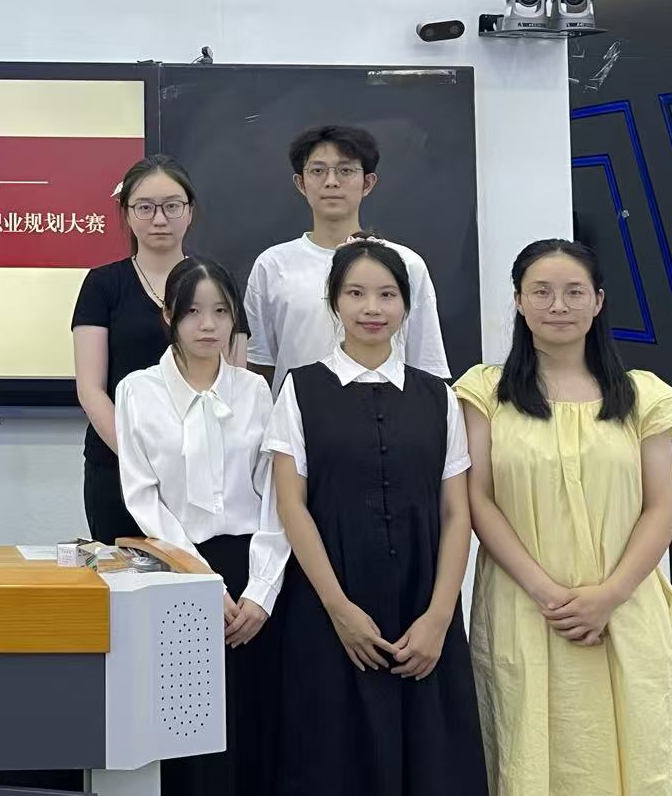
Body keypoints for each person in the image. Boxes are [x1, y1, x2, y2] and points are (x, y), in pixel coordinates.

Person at [455, 240, 672, 796]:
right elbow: (478, 500)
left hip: (626, 609)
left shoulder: (643, 395)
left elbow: (663, 508)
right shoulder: (485, 392)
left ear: (598, 301)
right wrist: (549, 595)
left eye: (574, 292)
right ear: (518, 301)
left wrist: (608, 596)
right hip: (524, 608)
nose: (557, 305)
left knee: (637, 753)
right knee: (529, 752)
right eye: (541, 292)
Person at [263, 237, 485, 796]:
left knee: (432, 762)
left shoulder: (438, 397)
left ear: (406, 305)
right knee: (333, 760)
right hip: (327, 606)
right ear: (334, 301)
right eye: (356, 293)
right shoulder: (300, 389)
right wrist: (339, 610)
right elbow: (292, 505)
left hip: (422, 605)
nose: (372, 308)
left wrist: (439, 618)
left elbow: (456, 511)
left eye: (387, 295)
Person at [115, 257, 286, 796]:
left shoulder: (255, 392)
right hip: (176, 570)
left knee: (254, 721)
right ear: (169, 316)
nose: (208, 325)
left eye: (220, 312)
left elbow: (276, 497)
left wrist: (261, 591)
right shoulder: (137, 390)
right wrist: (200, 579)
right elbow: (143, 496)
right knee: (188, 728)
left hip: (254, 576)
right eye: (192, 312)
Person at [73, 154, 232, 543]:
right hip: (120, 468)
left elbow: (233, 383)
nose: (159, 219)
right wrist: (140, 459)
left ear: (190, 211)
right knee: (124, 575)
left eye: (172, 206)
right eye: (144, 207)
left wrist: (190, 460)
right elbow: (91, 390)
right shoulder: (102, 285)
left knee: (205, 576)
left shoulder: (217, 282)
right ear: (127, 213)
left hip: (204, 472)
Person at [245, 125, 448, 391]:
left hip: (390, 410)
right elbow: (259, 366)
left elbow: (427, 364)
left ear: (368, 183)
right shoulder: (272, 265)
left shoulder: (406, 264)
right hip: (298, 413)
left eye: (345, 170)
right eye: (318, 171)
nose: (331, 182)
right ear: (300, 183)